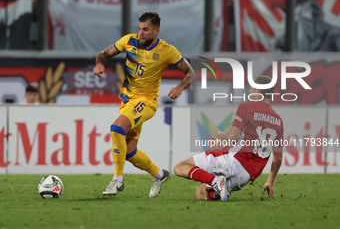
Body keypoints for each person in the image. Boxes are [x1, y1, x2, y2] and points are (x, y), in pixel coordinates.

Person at [93, 12, 195, 197]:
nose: (141, 33)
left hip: (147, 101)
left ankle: (117, 180)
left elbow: (191, 73)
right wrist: (99, 63)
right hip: (127, 101)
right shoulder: (129, 41)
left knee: (116, 128)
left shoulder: (167, 50)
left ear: (156, 30)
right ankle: (160, 174)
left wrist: (181, 86)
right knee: (130, 151)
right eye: (139, 29)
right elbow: (104, 54)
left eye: (145, 30)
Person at [174, 75, 284, 201]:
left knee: (180, 167)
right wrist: (270, 181)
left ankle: (215, 181)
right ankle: (217, 185)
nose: (249, 91)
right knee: (203, 192)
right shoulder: (278, 121)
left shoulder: (246, 108)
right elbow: (278, 159)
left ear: (258, 90)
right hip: (245, 176)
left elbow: (232, 137)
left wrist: (218, 134)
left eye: (252, 88)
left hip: (232, 161)